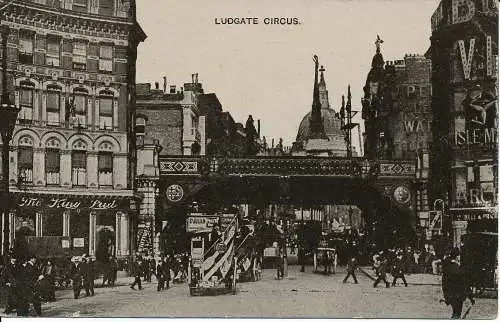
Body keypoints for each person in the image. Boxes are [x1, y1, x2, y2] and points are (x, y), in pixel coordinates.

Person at [442, 248, 474, 319]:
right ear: (457, 256)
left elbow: (444, 281)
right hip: (458, 294)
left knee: (455, 312)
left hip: (450, 293)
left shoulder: (448, 265)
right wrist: (470, 296)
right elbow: (464, 282)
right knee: (457, 313)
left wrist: (445, 294)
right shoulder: (458, 268)